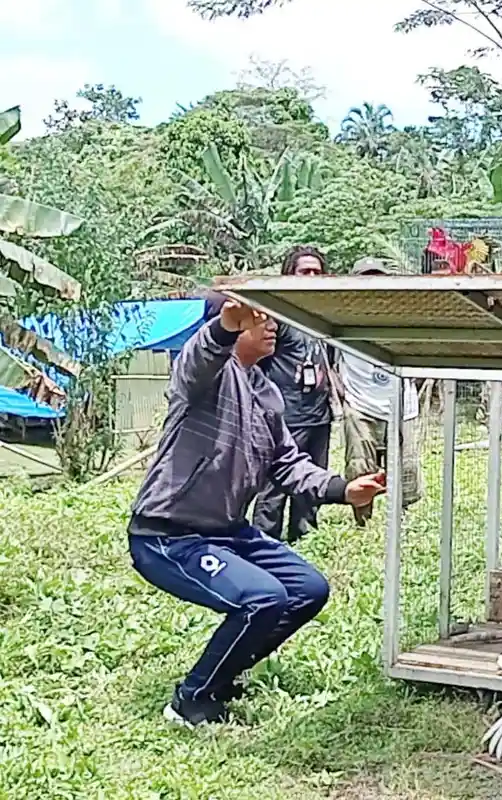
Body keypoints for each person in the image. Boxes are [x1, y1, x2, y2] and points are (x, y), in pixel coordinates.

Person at [127, 294, 386, 727]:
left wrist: (344, 490)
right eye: (260, 319)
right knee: (262, 598)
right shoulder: (204, 377)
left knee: (307, 588)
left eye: (273, 321)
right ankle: (191, 701)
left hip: (226, 530)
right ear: (232, 324)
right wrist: (225, 325)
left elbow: (287, 463)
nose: (271, 328)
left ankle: (223, 673)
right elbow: (199, 357)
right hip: (168, 534)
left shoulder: (264, 390)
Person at [252, 246, 335, 543]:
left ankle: (306, 539)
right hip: (285, 417)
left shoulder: (326, 316)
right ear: (289, 275)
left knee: (312, 480)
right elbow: (256, 362)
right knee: (275, 484)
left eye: (317, 271)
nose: (311, 277)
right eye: (305, 271)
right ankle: (265, 543)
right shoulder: (278, 318)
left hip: (319, 415)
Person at [338, 258, 424, 524]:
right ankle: (362, 520)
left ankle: (402, 518)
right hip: (360, 404)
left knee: (406, 465)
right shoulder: (340, 314)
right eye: (365, 278)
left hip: (401, 404)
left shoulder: (402, 314)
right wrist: (337, 390)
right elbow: (326, 356)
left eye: (377, 277)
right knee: (360, 466)